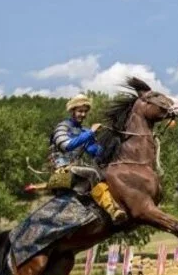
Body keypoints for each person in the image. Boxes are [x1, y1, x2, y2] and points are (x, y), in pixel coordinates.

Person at [49, 94, 128, 223]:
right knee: (93, 172)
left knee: (105, 173)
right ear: (72, 111)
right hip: (60, 172)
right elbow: (66, 146)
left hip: (75, 172)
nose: (83, 114)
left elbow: (95, 153)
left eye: (85, 112)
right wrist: (90, 133)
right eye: (80, 111)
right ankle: (112, 210)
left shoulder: (84, 131)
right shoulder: (62, 127)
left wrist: (112, 140)